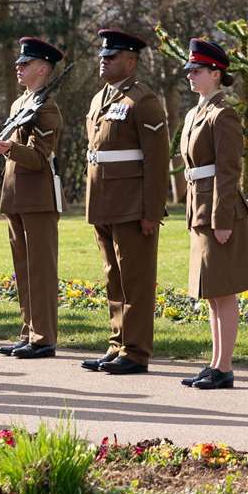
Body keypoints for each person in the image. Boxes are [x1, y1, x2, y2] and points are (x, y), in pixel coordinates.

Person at [81, 28, 170, 376]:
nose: (104, 60)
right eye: (103, 55)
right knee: (112, 277)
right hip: (103, 202)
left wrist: (151, 211)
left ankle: (136, 350)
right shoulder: (98, 99)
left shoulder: (143, 101)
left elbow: (157, 161)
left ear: (131, 61)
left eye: (112, 56)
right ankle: (117, 343)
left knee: (135, 279)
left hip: (132, 204)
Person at [179, 37, 248, 389]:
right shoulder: (196, 112)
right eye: (190, 70)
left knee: (223, 291)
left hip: (219, 211)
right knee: (211, 293)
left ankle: (224, 367)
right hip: (201, 207)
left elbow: (228, 171)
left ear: (215, 73)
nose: (191, 76)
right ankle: (214, 363)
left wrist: (222, 219)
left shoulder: (223, 114)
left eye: (197, 70)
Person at [0, 36, 65, 360]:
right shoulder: (20, 103)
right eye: (19, 62)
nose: (18, 67)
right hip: (16, 195)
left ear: (43, 69)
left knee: (40, 269)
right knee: (23, 268)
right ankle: (29, 331)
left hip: (37, 196)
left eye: (26, 63)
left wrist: (10, 148)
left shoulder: (47, 108)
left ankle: (44, 336)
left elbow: (38, 157)